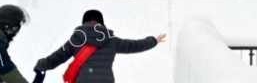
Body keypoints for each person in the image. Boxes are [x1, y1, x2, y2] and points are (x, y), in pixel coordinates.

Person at [33, 10, 165, 83]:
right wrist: (153, 40)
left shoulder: (76, 40)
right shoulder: (111, 40)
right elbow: (134, 46)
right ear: (101, 23)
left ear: (84, 22)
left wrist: (40, 65)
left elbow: (55, 59)